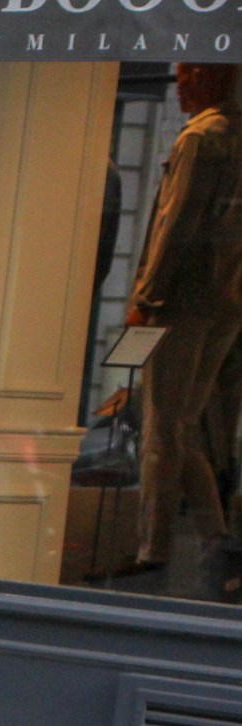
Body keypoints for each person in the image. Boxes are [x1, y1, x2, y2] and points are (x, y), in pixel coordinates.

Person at [128, 61, 242, 599]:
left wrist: (147, 297)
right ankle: (217, 538)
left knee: (161, 429)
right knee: (185, 426)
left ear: (207, 77)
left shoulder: (202, 139)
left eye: (185, 78)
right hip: (225, 304)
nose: (180, 88)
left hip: (180, 302)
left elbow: (177, 224)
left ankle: (153, 550)